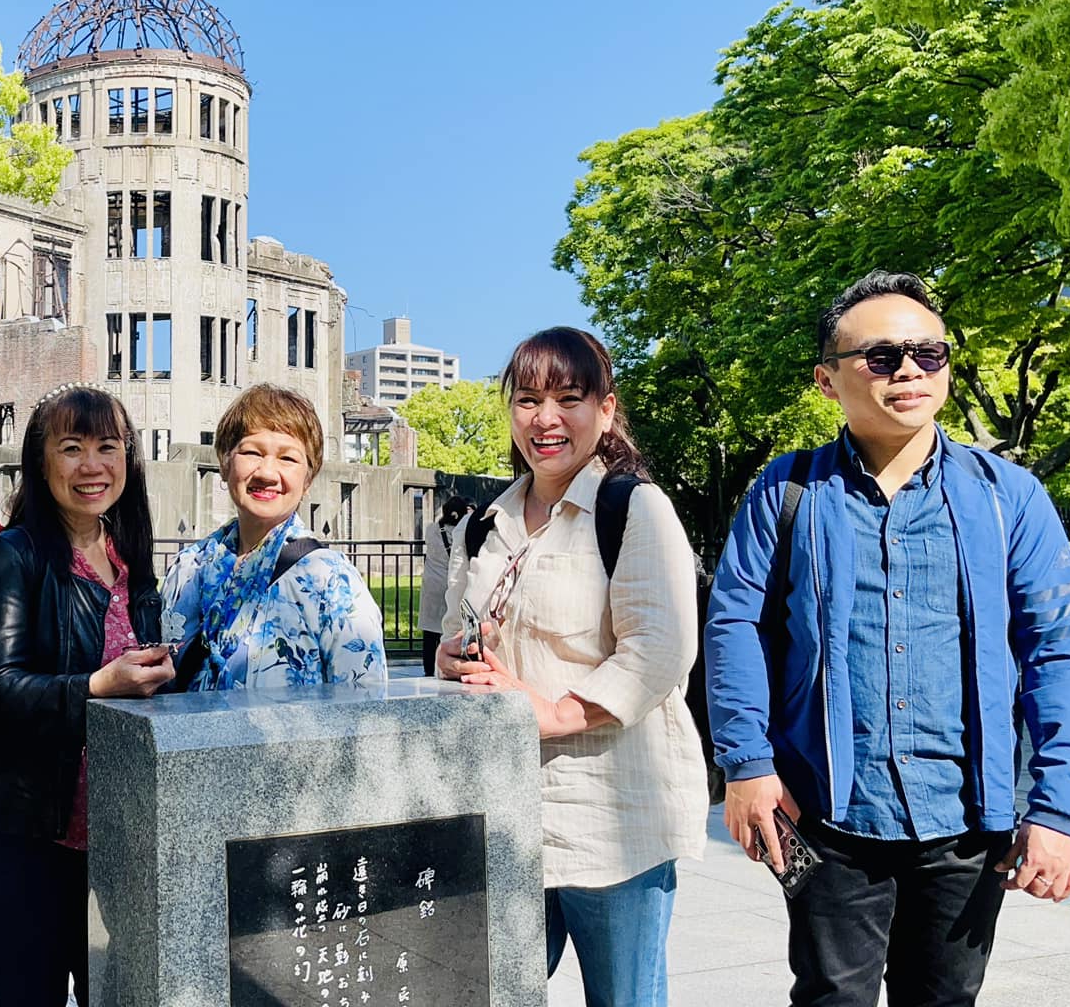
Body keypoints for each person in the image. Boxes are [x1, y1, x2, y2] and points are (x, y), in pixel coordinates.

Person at [706, 271, 1070, 1007]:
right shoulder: (787, 491)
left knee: (945, 999)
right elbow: (735, 627)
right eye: (881, 357)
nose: (910, 370)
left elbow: (1057, 649)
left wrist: (1056, 811)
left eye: (929, 353)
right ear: (828, 380)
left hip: (968, 819)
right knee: (830, 996)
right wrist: (746, 764)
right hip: (823, 814)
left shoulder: (1008, 495)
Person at [436, 326, 707, 1007]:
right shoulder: (482, 526)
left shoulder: (632, 508)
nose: (545, 418)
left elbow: (660, 649)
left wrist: (556, 713)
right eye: (527, 400)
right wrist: (450, 658)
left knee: (625, 999)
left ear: (605, 411)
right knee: (493, 991)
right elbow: (450, 637)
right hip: (502, 809)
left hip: (610, 817)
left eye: (568, 398)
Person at [0, 385, 174, 1007]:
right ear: (42, 462)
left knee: (112, 992)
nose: (92, 466)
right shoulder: (14, 557)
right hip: (24, 834)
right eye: (71, 448)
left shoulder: (130, 559)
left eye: (108, 447)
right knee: (28, 994)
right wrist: (99, 686)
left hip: (112, 835)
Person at [163, 385, 387, 692]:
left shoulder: (330, 580)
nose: (267, 473)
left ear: (308, 479)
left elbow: (365, 702)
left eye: (288, 459)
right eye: (252, 452)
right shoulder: (189, 567)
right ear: (225, 464)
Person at [417, 496, 475, 676]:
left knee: (429, 632)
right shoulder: (462, 532)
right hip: (450, 583)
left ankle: (427, 671)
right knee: (450, 629)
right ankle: (444, 668)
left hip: (430, 585)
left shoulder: (431, 529)